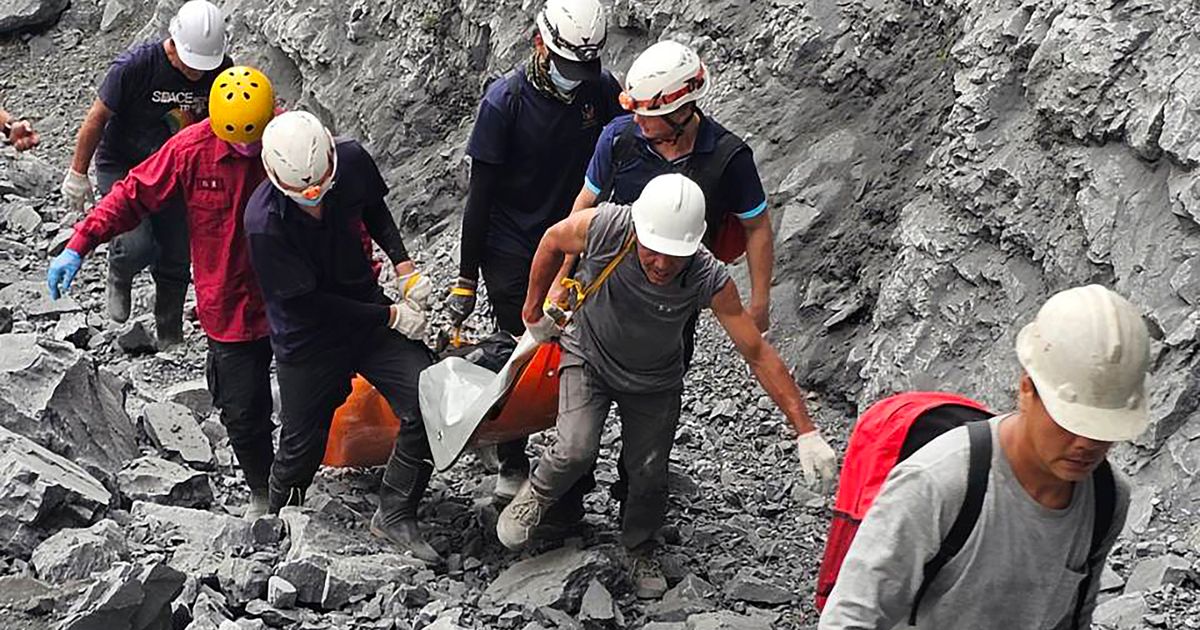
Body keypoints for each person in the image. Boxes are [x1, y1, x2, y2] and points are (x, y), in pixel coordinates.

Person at [496, 174, 837, 597]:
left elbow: (756, 352)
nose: (661, 265)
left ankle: (640, 545)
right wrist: (533, 313)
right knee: (575, 448)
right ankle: (539, 495)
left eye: (674, 257)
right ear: (638, 230)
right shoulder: (607, 226)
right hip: (589, 354)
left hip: (654, 380)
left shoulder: (706, 276)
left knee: (648, 472)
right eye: (652, 253)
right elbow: (552, 240)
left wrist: (806, 429)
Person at [819, 284, 1144, 629]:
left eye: (1102, 428)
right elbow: (851, 617)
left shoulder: (1108, 498)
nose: (1087, 443)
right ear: (1026, 389)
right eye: (1070, 422)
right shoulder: (939, 482)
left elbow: (1074, 618)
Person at [48, 66, 278, 520]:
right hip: (228, 305)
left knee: (312, 397)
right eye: (240, 142)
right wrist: (81, 241)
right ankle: (263, 491)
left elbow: (341, 205)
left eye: (256, 141)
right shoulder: (191, 150)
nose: (250, 151)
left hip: (293, 298)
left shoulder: (290, 139)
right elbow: (133, 194)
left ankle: (295, 482)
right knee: (242, 411)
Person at [444, 0, 622, 507]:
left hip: (574, 240)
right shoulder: (505, 102)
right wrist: (465, 278)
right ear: (539, 43)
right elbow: (479, 198)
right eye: (567, 68)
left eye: (581, 70)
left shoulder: (599, 91)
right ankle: (511, 456)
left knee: (577, 350)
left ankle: (571, 470)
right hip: (511, 245)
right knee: (518, 350)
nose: (574, 79)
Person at [244, 111, 440, 563]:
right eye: (301, 195)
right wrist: (391, 315)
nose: (313, 200)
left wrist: (404, 266)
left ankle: (395, 511)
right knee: (301, 442)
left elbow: (374, 208)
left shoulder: (349, 160)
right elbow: (312, 305)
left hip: (364, 306)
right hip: (308, 334)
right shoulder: (264, 223)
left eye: (320, 188)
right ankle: (278, 526)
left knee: (430, 397)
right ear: (275, 178)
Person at [556, 40, 774, 336]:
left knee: (662, 370)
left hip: (675, 298)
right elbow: (585, 203)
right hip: (607, 284)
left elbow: (756, 226)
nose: (636, 119)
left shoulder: (729, 160)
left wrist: (760, 303)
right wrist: (562, 276)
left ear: (681, 111)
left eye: (647, 113)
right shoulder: (619, 139)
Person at [60, 0, 232, 347]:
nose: (197, 73)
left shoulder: (220, 70)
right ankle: (119, 272)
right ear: (174, 44)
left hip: (177, 168)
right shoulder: (137, 66)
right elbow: (97, 118)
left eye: (204, 65)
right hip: (123, 162)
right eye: (190, 63)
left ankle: (169, 331)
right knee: (137, 243)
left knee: (177, 252)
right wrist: (78, 173)